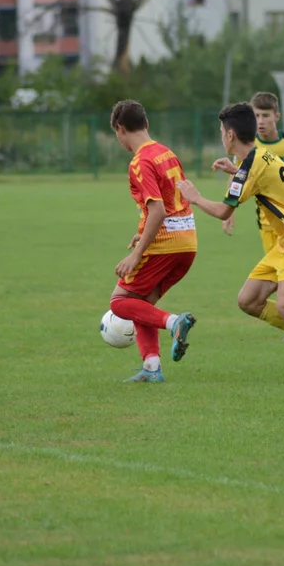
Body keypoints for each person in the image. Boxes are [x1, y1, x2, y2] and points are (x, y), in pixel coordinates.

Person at [176, 102, 284, 384]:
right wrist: (235, 171)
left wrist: (193, 196)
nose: (221, 135)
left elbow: (223, 210)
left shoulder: (249, 168)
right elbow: (263, 181)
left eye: (221, 131)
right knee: (248, 300)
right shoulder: (260, 156)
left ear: (230, 135)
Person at [222, 91, 284, 343]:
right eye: (256, 116)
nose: (261, 121)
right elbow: (243, 179)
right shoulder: (248, 148)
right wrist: (229, 212)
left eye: (265, 115)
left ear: (276, 116)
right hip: (266, 224)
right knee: (276, 279)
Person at [108, 100, 197, 383]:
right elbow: (170, 202)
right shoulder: (166, 153)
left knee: (120, 303)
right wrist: (142, 230)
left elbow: (158, 209)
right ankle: (151, 367)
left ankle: (174, 323)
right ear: (146, 124)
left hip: (165, 243)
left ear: (120, 129)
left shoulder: (140, 161)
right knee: (141, 303)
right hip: (187, 242)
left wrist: (136, 255)